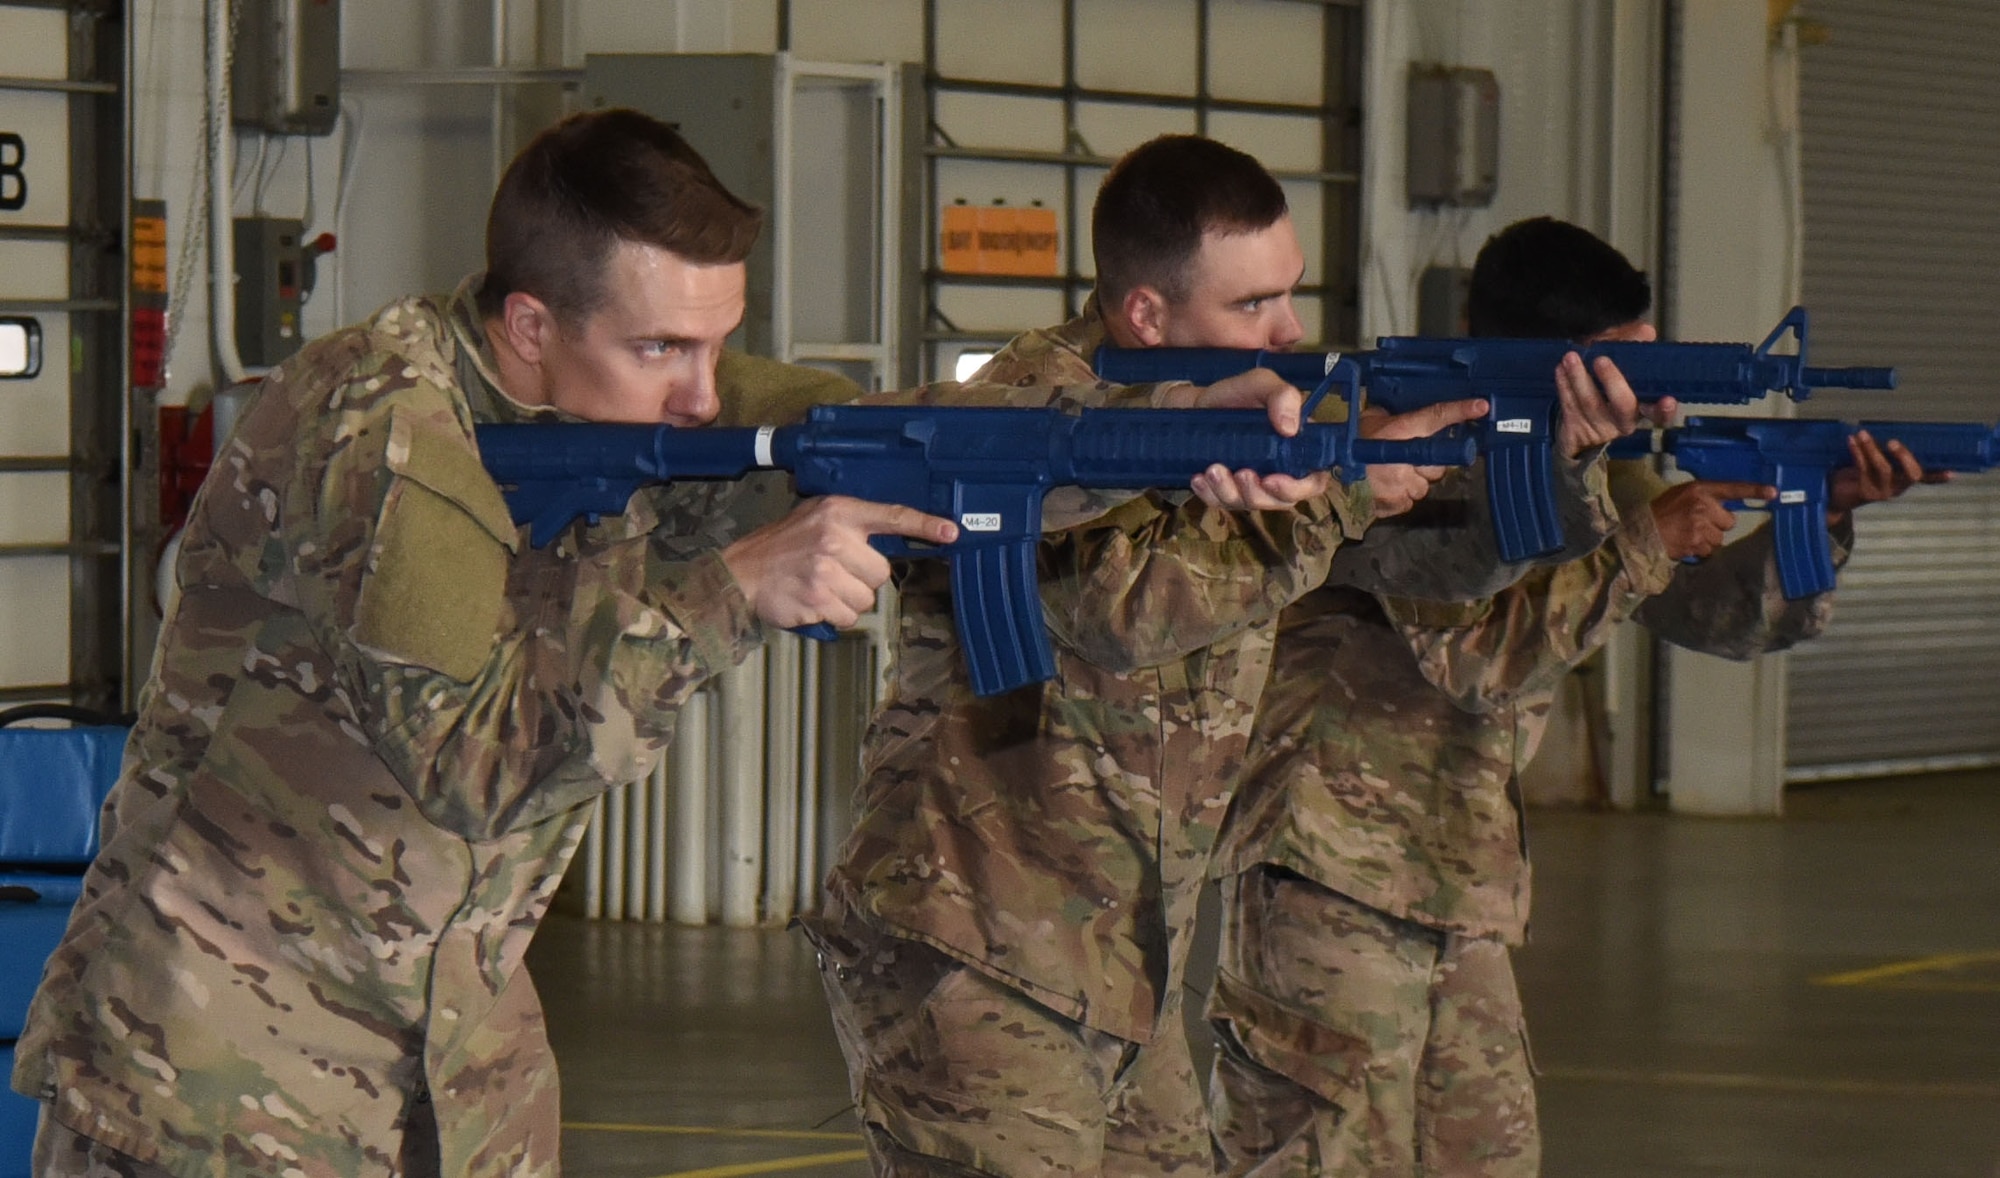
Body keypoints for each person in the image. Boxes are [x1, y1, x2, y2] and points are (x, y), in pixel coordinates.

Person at [5, 109, 1291, 1178]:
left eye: (720, 341)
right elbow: (474, 757)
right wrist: (729, 589)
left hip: (455, 1074)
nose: (700, 391)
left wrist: (1171, 418)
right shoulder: (383, 432)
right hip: (217, 1081)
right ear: (527, 327)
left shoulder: (639, 400)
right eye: (661, 346)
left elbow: (916, 441)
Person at [801, 136, 1640, 1178]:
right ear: (1145, 313)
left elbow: (1429, 564)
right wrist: (1332, 499)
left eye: (1288, 294)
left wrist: (1552, 465)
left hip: (1124, 956)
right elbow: (1116, 613)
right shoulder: (1032, 414)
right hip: (976, 943)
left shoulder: (1253, 407)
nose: (1288, 331)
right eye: (1252, 305)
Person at [1204, 214, 1944, 1177]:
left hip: (1461, 884)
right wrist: (1643, 540)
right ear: (1551, 361)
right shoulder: (1400, 458)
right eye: (1620, 362)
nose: (1647, 388)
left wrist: (1825, 513)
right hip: (1327, 873)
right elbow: (1480, 658)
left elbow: (1709, 617)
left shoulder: (1602, 460)